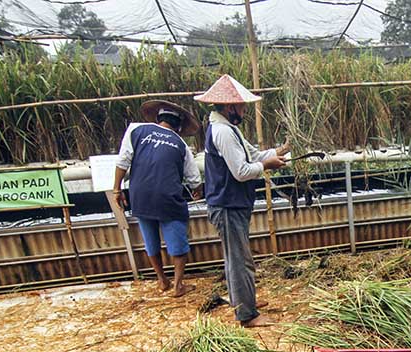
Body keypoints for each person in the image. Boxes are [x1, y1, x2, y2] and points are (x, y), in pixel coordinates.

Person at [193, 75, 289, 327]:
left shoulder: (228, 128)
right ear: (229, 107)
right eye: (242, 106)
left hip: (232, 202)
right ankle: (247, 315)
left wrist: (280, 151)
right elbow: (241, 171)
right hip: (227, 204)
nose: (245, 110)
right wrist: (266, 164)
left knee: (239, 258)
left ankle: (245, 301)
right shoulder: (223, 131)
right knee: (238, 260)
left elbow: (253, 155)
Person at [113, 100, 202, 297]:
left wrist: (116, 189)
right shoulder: (181, 145)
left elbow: (123, 160)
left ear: (158, 119)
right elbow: (194, 178)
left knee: (150, 239)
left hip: (140, 194)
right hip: (168, 197)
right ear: (178, 126)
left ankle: (162, 280)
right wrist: (197, 190)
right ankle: (178, 285)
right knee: (177, 240)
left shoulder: (136, 130)